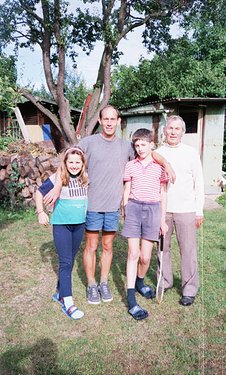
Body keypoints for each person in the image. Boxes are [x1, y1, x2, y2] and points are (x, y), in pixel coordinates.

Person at [44, 105, 175, 306]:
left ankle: (104, 282)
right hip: (91, 206)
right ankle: (91, 284)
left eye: (113, 119)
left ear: (118, 121)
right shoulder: (88, 143)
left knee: (107, 246)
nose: (109, 122)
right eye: (105, 119)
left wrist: (166, 164)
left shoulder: (126, 146)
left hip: (113, 207)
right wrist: (57, 185)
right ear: (100, 120)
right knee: (91, 246)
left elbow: (148, 153)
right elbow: (69, 160)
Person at [155, 115, 204, 306]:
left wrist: (198, 211)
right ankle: (164, 282)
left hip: (186, 210)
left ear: (183, 132)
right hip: (163, 210)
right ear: (164, 131)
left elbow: (198, 183)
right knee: (162, 248)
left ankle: (189, 289)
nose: (173, 132)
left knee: (188, 250)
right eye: (170, 128)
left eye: (177, 129)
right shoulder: (158, 153)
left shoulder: (191, 153)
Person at [36, 146, 89, 319]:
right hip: (62, 226)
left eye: (77, 162)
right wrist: (41, 212)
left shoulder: (85, 178)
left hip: (79, 225)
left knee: (70, 261)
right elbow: (39, 192)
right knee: (66, 262)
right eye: (71, 162)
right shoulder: (58, 177)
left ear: (82, 164)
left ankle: (60, 293)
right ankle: (68, 304)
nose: (74, 165)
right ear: (65, 163)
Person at [122, 128, 168, 320]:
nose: (140, 149)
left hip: (152, 210)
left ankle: (140, 282)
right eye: (137, 145)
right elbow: (127, 189)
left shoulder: (160, 167)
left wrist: (162, 220)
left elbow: (163, 194)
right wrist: (125, 209)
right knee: (133, 253)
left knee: (145, 257)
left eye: (143, 145)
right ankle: (131, 298)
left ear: (152, 145)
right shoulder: (130, 165)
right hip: (133, 208)